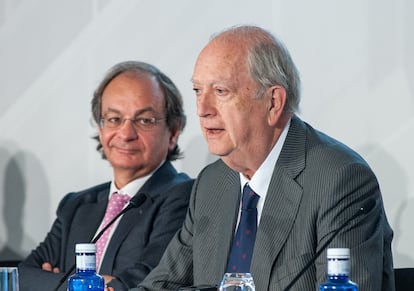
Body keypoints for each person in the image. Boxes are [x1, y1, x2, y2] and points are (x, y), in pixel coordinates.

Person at [131, 25, 395, 291]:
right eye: (198, 91)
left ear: (273, 102)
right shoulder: (212, 183)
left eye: (221, 91)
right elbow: (161, 285)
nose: (203, 109)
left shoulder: (340, 180)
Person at [18, 61, 194, 291]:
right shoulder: (76, 205)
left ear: (173, 132)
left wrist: (57, 283)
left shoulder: (185, 196)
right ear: (100, 129)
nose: (126, 133)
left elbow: (149, 280)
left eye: (144, 120)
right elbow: (24, 277)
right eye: (114, 119)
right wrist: (92, 285)